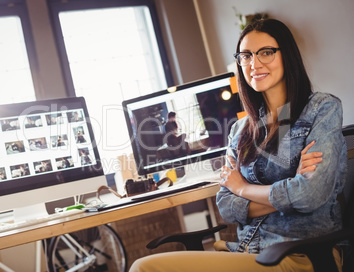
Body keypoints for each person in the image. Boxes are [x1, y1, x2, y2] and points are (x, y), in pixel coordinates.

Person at [129, 18, 346, 272]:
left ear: (287, 54)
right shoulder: (240, 129)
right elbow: (226, 206)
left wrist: (242, 188)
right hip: (246, 251)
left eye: (266, 52)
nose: (254, 63)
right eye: (246, 56)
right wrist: (291, 189)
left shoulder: (322, 109)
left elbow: (311, 195)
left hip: (302, 254)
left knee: (145, 268)